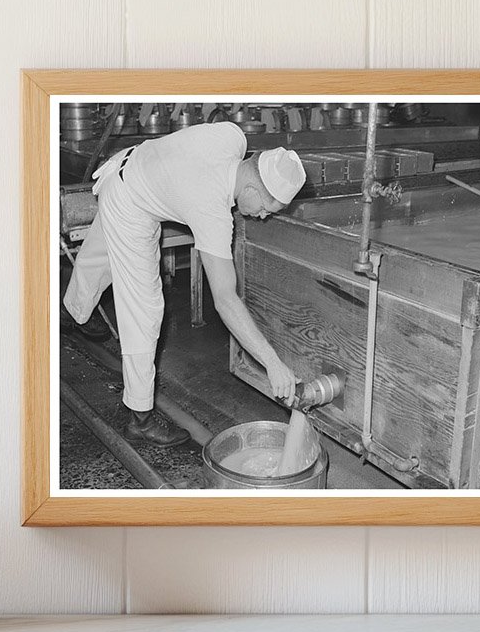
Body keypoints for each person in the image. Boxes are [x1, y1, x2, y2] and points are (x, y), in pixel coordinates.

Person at [62, 121, 304, 445]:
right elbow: (225, 299)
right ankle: (140, 418)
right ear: (250, 189)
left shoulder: (233, 137)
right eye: (264, 208)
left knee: (95, 258)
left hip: (126, 167)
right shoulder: (212, 208)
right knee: (144, 311)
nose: (262, 216)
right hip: (132, 204)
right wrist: (272, 363)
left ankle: (70, 314)